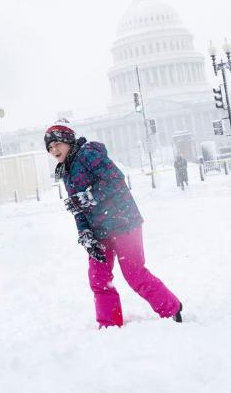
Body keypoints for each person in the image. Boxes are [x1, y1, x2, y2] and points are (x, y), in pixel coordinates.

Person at [45, 119, 182, 328]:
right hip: (98, 231)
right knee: (98, 278)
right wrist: (85, 235)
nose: (54, 150)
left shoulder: (87, 155)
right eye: (50, 147)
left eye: (57, 144)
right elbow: (77, 207)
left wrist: (89, 197)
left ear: (69, 141)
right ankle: (109, 324)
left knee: (134, 273)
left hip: (123, 222)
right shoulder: (66, 171)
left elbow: (115, 179)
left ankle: (172, 308)